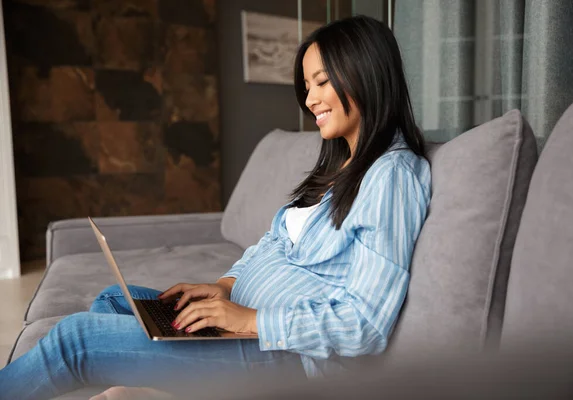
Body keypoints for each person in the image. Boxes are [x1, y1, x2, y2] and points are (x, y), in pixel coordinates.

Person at [0, 15, 431, 400]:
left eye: (321, 82)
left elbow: (366, 324)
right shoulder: (339, 164)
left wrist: (248, 319)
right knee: (115, 300)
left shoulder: (391, 176)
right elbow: (272, 245)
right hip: (239, 327)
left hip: (284, 356)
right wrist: (224, 288)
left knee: (76, 340)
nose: (310, 99)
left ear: (365, 74)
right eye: (306, 87)